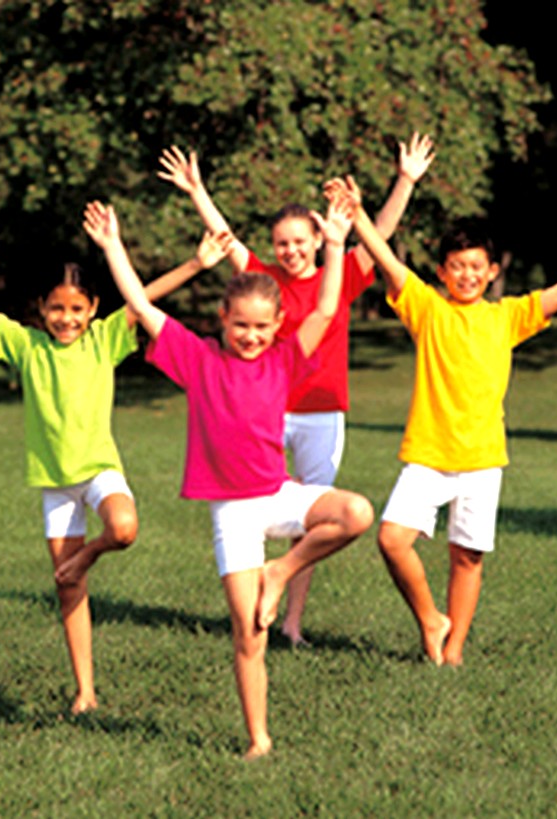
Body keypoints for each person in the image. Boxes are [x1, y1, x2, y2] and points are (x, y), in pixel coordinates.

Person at [0, 231, 233, 714]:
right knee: (68, 590)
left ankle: (85, 557)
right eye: (57, 309)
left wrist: (196, 263)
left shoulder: (106, 339)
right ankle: (85, 690)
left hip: (98, 470)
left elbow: (143, 297)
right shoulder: (27, 346)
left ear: (93, 309)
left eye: (77, 309)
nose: (67, 319)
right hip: (55, 485)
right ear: (41, 309)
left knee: (124, 530)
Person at [83, 196, 373, 759]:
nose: (251, 335)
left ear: (276, 326)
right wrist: (113, 246)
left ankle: (280, 571)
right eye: (241, 325)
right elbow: (140, 305)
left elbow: (325, 310)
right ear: (223, 321)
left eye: (262, 327)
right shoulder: (198, 359)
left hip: (277, 495)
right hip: (232, 511)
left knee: (356, 512)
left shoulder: (283, 359)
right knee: (249, 634)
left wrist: (335, 243)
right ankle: (258, 740)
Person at [331, 176, 557, 667]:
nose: (466, 275)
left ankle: (453, 651)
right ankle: (430, 620)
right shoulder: (427, 310)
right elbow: (389, 263)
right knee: (392, 539)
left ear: (491, 272)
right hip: (428, 455)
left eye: (476, 267)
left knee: (468, 557)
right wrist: (357, 216)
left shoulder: (507, 317)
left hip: (483, 461)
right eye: (457, 267)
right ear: (443, 272)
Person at [157, 132, 435, 646]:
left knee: (312, 521)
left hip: (322, 413)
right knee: (260, 504)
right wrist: (197, 191)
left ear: (316, 239)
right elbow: (224, 239)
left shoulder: (341, 274)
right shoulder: (262, 279)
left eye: (299, 241)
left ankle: (291, 621)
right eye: (282, 242)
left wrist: (404, 182)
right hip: (268, 412)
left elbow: (380, 237)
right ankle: (252, 601)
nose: (290, 251)